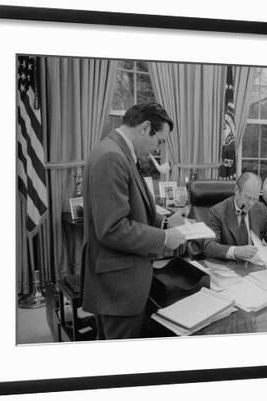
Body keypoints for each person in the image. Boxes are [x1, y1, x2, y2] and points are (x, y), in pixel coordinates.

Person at [81, 102, 186, 340]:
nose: (157, 149)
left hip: (120, 281)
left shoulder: (118, 151)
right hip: (118, 287)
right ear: (145, 127)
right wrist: (165, 238)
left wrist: (164, 223)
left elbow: (132, 209)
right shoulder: (112, 156)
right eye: (159, 141)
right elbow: (113, 228)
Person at [203, 172, 267, 261]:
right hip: (230, 266)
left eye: (254, 199)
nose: (251, 203)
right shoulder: (217, 212)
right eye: (248, 198)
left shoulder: (260, 208)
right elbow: (209, 246)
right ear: (237, 190)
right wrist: (235, 251)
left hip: (255, 265)